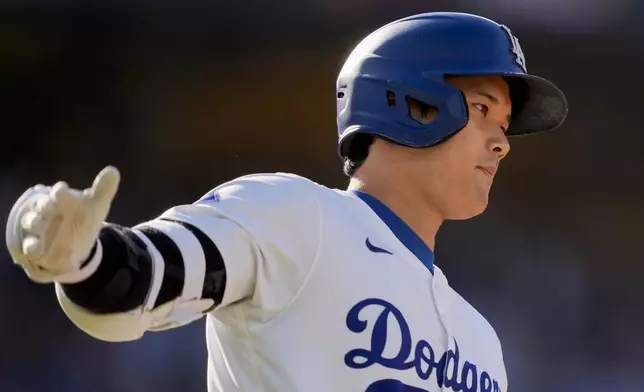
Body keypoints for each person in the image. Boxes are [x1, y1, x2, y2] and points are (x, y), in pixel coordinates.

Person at [5, 12, 567, 392]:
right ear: (413, 103)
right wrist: (85, 259)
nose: (501, 142)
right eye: (482, 110)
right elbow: (144, 280)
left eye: (505, 126)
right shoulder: (299, 216)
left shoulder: (482, 341)